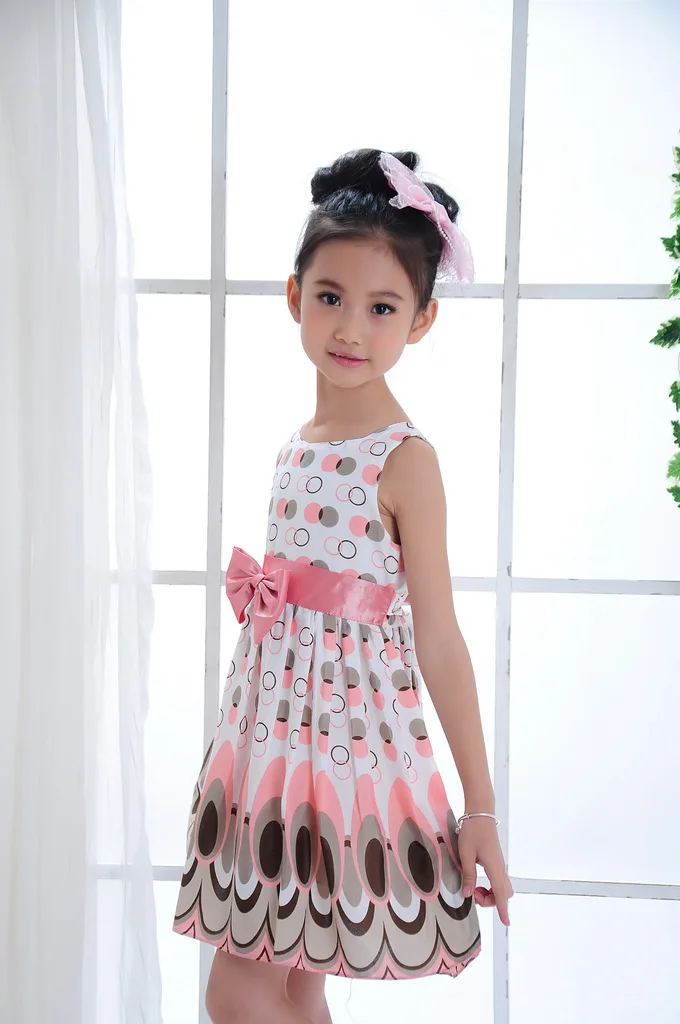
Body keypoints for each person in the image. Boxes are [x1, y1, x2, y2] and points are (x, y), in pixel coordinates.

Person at [173, 147, 514, 1024]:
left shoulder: (405, 461)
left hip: (346, 753)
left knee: (237, 991)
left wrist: (480, 807)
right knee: (290, 983)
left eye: (382, 307)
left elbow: (439, 637)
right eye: (330, 297)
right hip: (270, 746)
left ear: (422, 320)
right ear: (295, 297)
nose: (351, 329)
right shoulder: (297, 445)